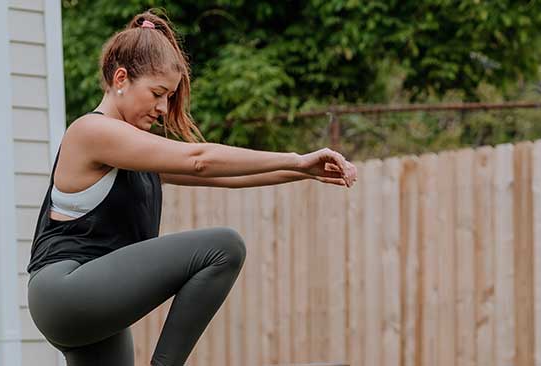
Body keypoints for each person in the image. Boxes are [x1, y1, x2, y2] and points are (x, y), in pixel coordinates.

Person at [26, 10, 358, 366]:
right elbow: (199, 159)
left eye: (169, 96)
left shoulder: (134, 152)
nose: (163, 107)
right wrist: (293, 158)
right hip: (66, 291)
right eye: (157, 93)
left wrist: (304, 170)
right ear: (120, 78)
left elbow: (220, 176)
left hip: (92, 303)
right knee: (223, 248)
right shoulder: (91, 132)